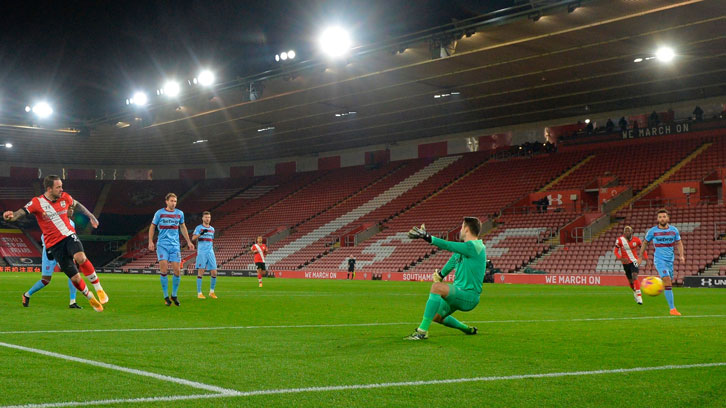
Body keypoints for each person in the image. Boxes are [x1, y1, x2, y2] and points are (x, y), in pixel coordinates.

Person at [3, 175, 105, 312]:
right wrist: (10, 216)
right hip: (54, 246)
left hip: (68, 236)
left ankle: (97, 290)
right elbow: (20, 213)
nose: (61, 189)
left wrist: (91, 216)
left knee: (81, 258)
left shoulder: (65, 197)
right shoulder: (37, 202)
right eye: (58, 187)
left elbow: (77, 204)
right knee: (72, 278)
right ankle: (89, 296)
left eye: (62, 186)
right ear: (49, 189)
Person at [405, 217, 485, 340]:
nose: (460, 230)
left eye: (462, 226)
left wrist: (427, 237)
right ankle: (466, 329)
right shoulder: (464, 249)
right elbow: (452, 262)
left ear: (466, 229)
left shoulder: (474, 246)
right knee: (436, 316)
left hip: (469, 296)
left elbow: (448, 245)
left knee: (436, 288)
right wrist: (441, 275)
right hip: (459, 293)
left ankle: (422, 332)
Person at [23, 206, 81, 308]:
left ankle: (73, 301)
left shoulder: (72, 224)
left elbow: (71, 239)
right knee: (46, 280)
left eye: (72, 209)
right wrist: (49, 247)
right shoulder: (54, 221)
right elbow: (44, 235)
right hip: (50, 252)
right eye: (69, 208)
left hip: (63, 253)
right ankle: (27, 295)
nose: (71, 211)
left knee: (73, 275)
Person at [149, 193, 194, 306]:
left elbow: (183, 227)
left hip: (175, 246)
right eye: (172, 201)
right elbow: (152, 226)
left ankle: (174, 295)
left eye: (175, 201)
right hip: (162, 245)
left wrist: (188, 241)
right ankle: (165, 296)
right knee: (164, 270)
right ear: (166, 201)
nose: (174, 203)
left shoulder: (179, 214)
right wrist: (150, 241)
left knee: (177, 271)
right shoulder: (159, 213)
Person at [638, 209, 684, 316]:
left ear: (668, 218)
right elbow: (645, 243)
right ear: (657, 219)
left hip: (670, 260)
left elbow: (679, 243)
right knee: (667, 280)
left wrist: (681, 255)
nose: (662, 219)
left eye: (664, 217)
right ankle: (672, 309)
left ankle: (657, 286)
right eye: (660, 217)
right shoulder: (653, 231)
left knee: (669, 283)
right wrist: (640, 256)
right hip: (659, 260)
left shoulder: (674, 230)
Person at [614, 226, 647, 305]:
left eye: (628, 231)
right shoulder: (620, 240)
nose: (627, 232)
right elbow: (615, 251)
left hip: (634, 261)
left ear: (632, 232)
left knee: (634, 275)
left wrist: (645, 257)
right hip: (625, 263)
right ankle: (635, 292)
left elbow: (643, 249)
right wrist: (620, 258)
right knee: (631, 281)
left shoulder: (637, 240)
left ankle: (639, 295)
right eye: (625, 231)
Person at [192, 211, 217, 299]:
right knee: (201, 272)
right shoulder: (199, 228)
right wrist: (201, 234)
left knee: (214, 272)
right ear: (202, 218)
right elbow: (193, 238)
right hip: (202, 252)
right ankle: (199, 293)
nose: (207, 219)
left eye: (209, 217)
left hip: (210, 252)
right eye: (206, 217)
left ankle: (212, 292)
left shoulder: (212, 229)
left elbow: (211, 239)